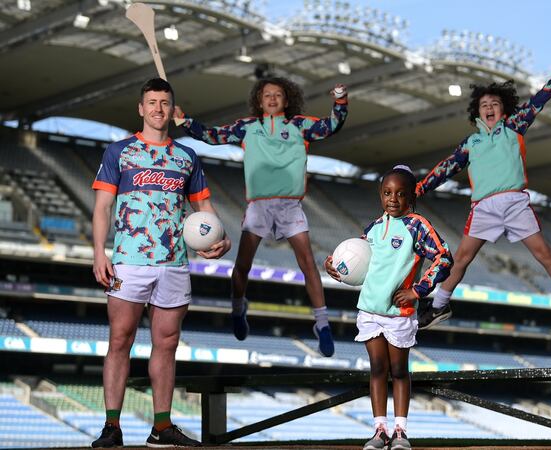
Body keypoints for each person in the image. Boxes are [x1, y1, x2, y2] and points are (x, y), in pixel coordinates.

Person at [91, 78, 231, 448]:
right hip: (128, 262)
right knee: (119, 340)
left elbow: (203, 208)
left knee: (166, 343)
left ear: (172, 109)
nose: (158, 108)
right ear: (141, 108)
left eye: (164, 103)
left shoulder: (186, 158)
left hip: (173, 263)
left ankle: (162, 427)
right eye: (151, 102)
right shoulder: (119, 152)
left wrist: (221, 236)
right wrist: (98, 252)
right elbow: (103, 206)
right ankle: (112, 427)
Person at [414, 58, 551, 330]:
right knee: (462, 259)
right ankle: (438, 307)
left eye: (495, 104)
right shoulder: (471, 143)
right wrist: (420, 188)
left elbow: (539, 100)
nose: (489, 108)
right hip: (483, 207)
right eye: (484, 105)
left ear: (504, 110)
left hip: (515, 202)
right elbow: (446, 168)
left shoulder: (514, 127)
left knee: (544, 253)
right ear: (477, 112)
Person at [174, 77, 348, 356]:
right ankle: (237, 308)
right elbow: (213, 135)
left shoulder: (300, 125)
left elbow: (332, 125)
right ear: (259, 100)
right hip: (259, 206)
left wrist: (340, 100)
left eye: (277, 94)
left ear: (287, 100)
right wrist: (185, 122)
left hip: (290, 206)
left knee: (307, 263)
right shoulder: (247, 128)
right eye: (266, 94)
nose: (271, 98)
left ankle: (322, 324)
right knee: (242, 264)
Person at [325, 165, 452, 450]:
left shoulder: (417, 225)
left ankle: (400, 432)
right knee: (377, 369)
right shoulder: (373, 228)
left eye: (400, 194)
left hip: (398, 314)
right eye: (387, 192)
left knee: (399, 370)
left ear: (411, 198)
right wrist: (336, 268)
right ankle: (379, 430)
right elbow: (355, 262)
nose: (393, 199)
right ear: (381, 195)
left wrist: (417, 291)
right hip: (369, 310)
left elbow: (444, 258)